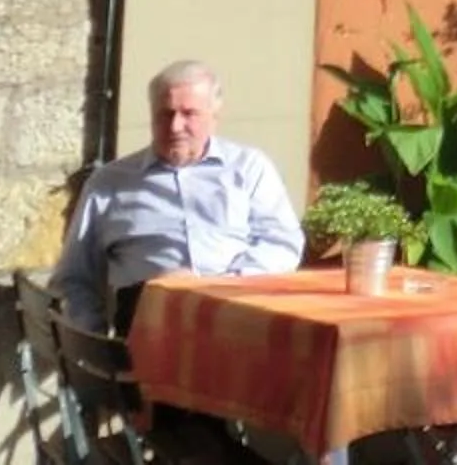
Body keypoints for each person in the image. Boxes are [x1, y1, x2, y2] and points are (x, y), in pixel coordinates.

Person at [54, 60, 305, 333]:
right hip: (149, 323)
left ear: (214, 115)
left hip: (237, 315)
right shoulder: (110, 183)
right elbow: (74, 277)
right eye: (165, 114)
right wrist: (94, 345)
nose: (175, 126)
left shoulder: (248, 168)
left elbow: (282, 242)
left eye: (189, 113)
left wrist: (218, 288)